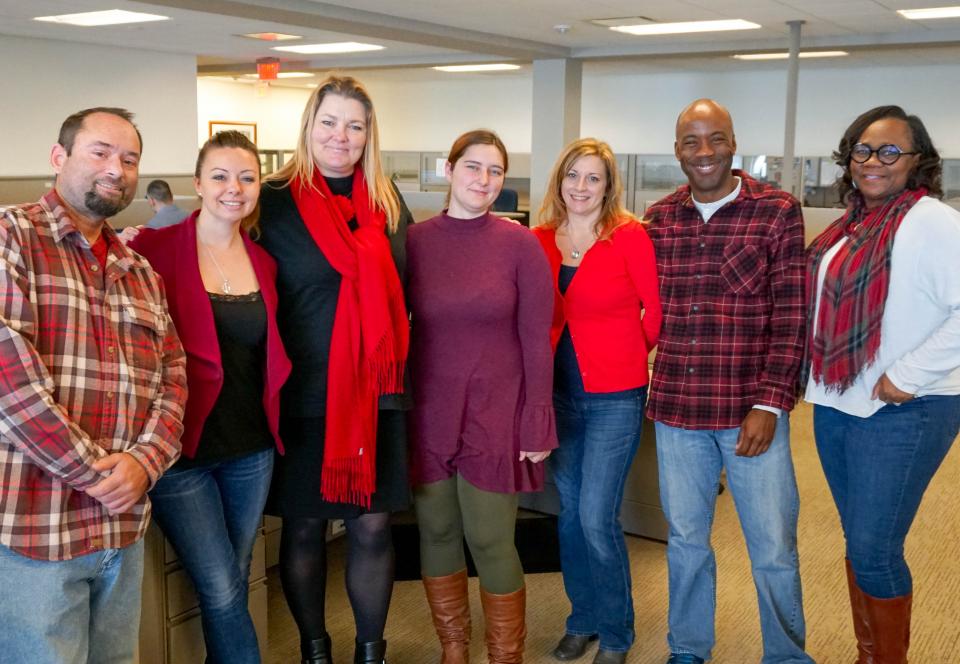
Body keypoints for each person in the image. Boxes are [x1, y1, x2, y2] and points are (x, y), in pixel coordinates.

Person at [0, 107, 187, 663]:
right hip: (36, 528)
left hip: (120, 529)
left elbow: (172, 377)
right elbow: (8, 373)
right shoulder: (13, 236)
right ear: (59, 158)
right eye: (100, 152)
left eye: (129, 159)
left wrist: (144, 464)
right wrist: (94, 473)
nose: (117, 169)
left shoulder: (138, 269)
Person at [643, 99, 812, 664]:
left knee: (772, 549)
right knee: (687, 543)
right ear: (677, 151)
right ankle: (688, 649)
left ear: (734, 142)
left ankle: (785, 656)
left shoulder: (777, 212)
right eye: (691, 141)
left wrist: (771, 403)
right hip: (677, 411)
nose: (705, 152)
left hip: (749, 413)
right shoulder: (659, 218)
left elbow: (792, 316)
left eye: (716, 138)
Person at [257, 75, 413, 664]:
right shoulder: (271, 201)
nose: (341, 136)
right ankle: (314, 652)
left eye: (355, 124)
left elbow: (408, 291)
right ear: (308, 126)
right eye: (329, 122)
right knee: (304, 529)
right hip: (307, 394)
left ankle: (370, 653)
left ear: (369, 133)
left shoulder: (387, 201)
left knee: (373, 528)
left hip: (377, 395)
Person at [803, 105, 960, 663]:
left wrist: (905, 375)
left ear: (918, 161)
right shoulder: (848, 225)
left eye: (890, 151)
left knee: (874, 548)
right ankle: (869, 654)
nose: (873, 162)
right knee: (861, 543)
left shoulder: (932, 221)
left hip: (908, 408)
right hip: (838, 402)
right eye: (863, 151)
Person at [127, 131, 291, 663]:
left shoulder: (264, 263)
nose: (233, 188)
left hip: (251, 448)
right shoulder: (152, 251)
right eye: (220, 176)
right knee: (221, 585)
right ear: (197, 184)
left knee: (236, 577)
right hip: (182, 452)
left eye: (246, 177)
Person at [407, 129, 557, 664]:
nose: (485, 180)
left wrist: (538, 421)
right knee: (438, 531)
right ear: (449, 171)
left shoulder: (520, 245)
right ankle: (454, 650)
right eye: (474, 167)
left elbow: (537, 339)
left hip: (498, 413)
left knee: (491, 539)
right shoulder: (414, 242)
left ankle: (504, 657)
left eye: (495, 171)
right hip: (427, 411)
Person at [532, 138, 662, 664]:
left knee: (595, 517)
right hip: (556, 397)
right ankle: (580, 618)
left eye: (593, 178)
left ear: (609, 187)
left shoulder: (628, 237)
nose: (581, 187)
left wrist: (622, 355)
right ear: (559, 180)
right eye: (573, 176)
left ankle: (616, 633)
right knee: (568, 516)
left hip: (614, 397)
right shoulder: (538, 239)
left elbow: (654, 313)